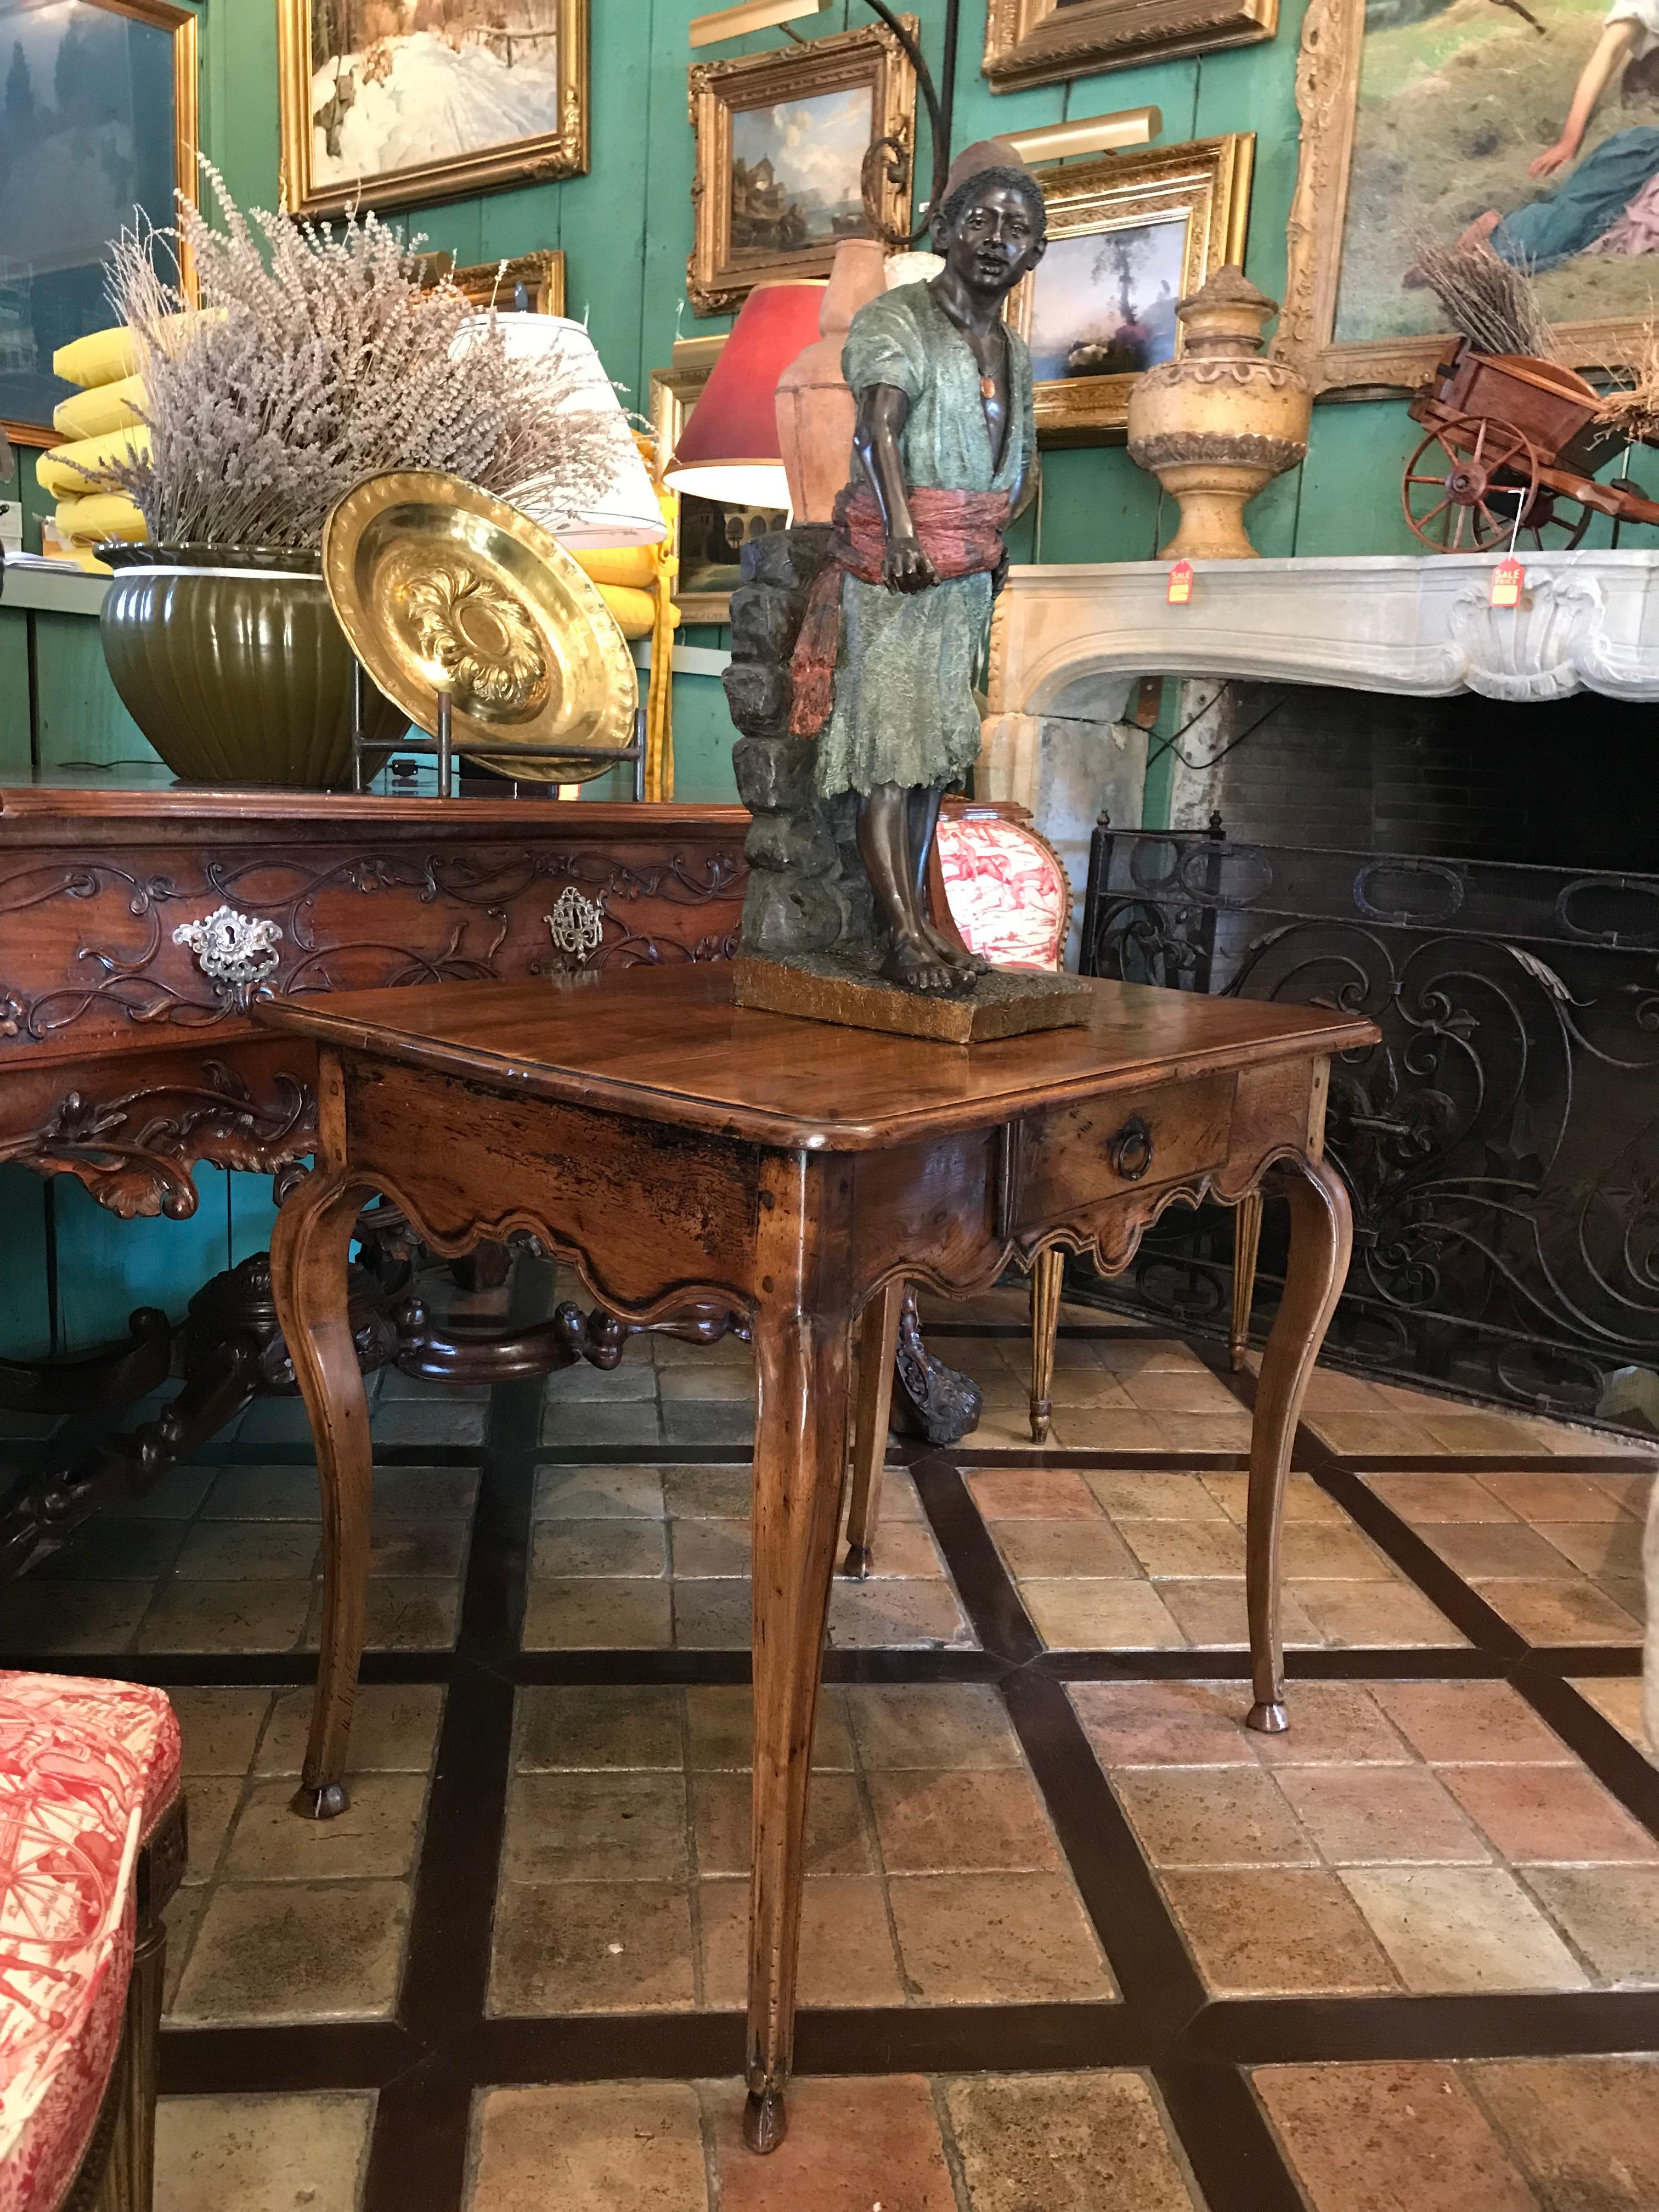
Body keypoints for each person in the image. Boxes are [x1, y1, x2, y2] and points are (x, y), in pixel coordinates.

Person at [788, 140, 1046, 994]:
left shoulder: (1013, 350)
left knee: (936, 759)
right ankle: (900, 932)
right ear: (944, 227)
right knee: (890, 759)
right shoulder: (899, 319)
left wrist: (993, 547)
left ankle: (927, 919)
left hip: (967, 573)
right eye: (980, 219)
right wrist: (901, 530)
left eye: (1017, 227)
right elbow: (878, 430)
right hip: (901, 574)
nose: (996, 239)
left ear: (1036, 251)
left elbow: (1012, 461)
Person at [1454, 5, 1659, 268]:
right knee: (1574, 225)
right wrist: (1570, 139)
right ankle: (1492, 239)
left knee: (1604, 237)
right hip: (1647, 135)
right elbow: (1608, 55)